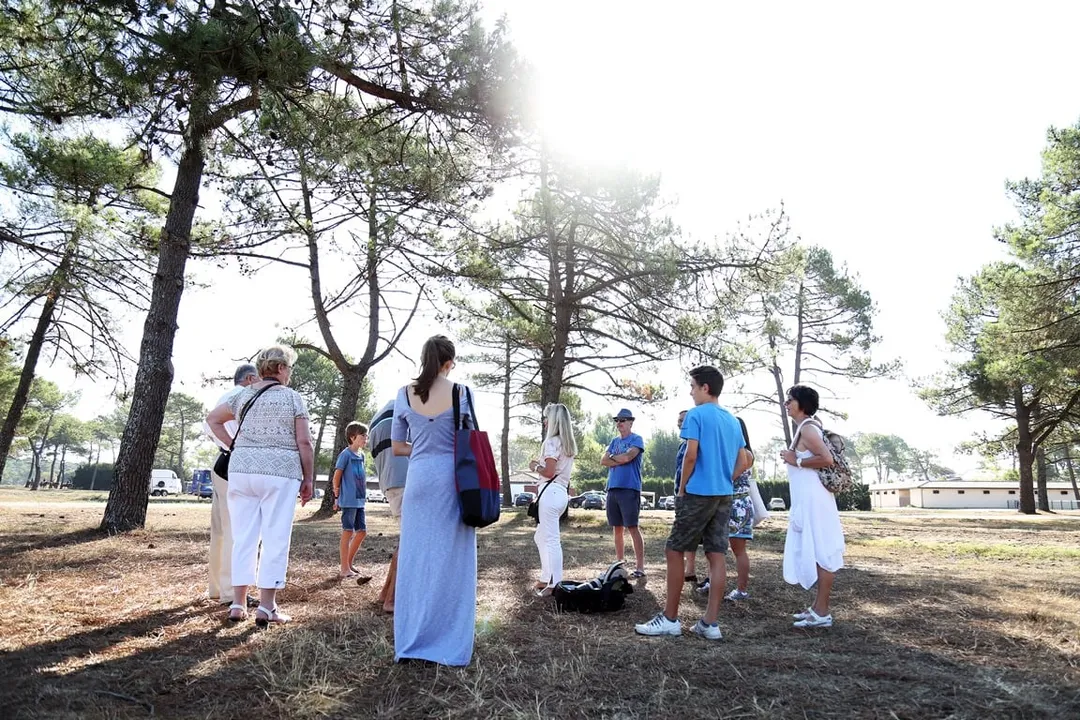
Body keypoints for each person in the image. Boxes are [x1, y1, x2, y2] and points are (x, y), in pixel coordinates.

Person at [635, 365, 748, 640]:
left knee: (674, 549)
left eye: (693, 387)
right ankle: (710, 623)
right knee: (716, 554)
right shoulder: (733, 420)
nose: (691, 392)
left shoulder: (696, 415)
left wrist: (682, 487)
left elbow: (691, 455)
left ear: (705, 388)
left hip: (697, 493)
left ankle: (670, 619)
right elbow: (744, 460)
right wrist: (726, 479)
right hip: (724, 494)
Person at [206, 345, 315, 627]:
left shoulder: (242, 395)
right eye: (289, 367)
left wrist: (233, 447)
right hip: (280, 472)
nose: (290, 373)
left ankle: (238, 603)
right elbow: (304, 442)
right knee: (275, 536)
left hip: (241, 470)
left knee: (243, 537)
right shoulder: (292, 398)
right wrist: (309, 478)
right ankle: (267, 606)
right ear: (280, 368)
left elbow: (213, 419)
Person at [391, 335, 477, 666]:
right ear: (448, 362)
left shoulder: (403, 393)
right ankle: (448, 640)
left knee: (415, 559)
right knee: (453, 560)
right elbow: (469, 440)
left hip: (418, 478)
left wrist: (424, 447)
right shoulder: (461, 392)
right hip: (451, 479)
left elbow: (398, 446)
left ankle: (411, 640)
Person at [780, 384, 845, 629]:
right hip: (808, 499)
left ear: (802, 404)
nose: (786, 404)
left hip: (815, 501)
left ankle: (822, 612)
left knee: (822, 552)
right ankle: (817, 608)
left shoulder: (808, 428)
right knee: (816, 550)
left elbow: (826, 459)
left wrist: (795, 459)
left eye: (790, 400)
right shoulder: (806, 428)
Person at [203, 363, 259, 607]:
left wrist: (225, 445)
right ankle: (230, 592)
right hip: (235, 465)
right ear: (250, 378)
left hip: (221, 463)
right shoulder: (243, 397)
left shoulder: (225, 397)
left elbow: (207, 427)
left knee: (220, 530)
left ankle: (217, 588)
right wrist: (234, 446)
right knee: (236, 531)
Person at [694, 418, 755, 600]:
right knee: (714, 548)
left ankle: (741, 590)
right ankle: (712, 581)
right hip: (723, 503)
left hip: (737, 505)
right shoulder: (728, 450)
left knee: (738, 549)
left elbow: (729, 476)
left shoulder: (745, 453)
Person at [528, 403, 577, 597]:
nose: (544, 421)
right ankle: (546, 577)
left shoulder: (551, 442)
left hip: (550, 494)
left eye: (547, 418)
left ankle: (555, 584)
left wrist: (534, 466)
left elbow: (548, 472)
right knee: (541, 537)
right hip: (561, 493)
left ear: (554, 420)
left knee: (551, 540)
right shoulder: (567, 444)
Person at [369, 399, 408, 614]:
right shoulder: (408, 410)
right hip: (406, 482)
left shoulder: (378, 417)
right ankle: (391, 599)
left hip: (389, 482)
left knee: (406, 540)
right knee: (410, 543)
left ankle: (386, 593)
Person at [601, 408, 646, 578]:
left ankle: (640, 567)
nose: (619, 423)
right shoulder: (614, 441)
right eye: (617, 420)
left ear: (631, 422)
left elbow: (629, 457)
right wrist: (619, 458)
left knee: (632, 527)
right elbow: (603, 460)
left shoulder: (637, 439)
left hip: (629, 488)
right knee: (617, 528)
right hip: (613, 488)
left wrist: (614, 458)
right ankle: (619, 564)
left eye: (623, 420)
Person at [333, 421, 370, 581]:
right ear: (353, 437)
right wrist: (336, 493)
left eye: (366, 436)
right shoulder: (345, 454)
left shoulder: (361, 455)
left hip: (359, 500)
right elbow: (337, 475)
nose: (366, 438)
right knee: (348, 531)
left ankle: (348, 564)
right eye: (363, 436)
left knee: (362, 532)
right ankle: (344, 569)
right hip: (349, 501)